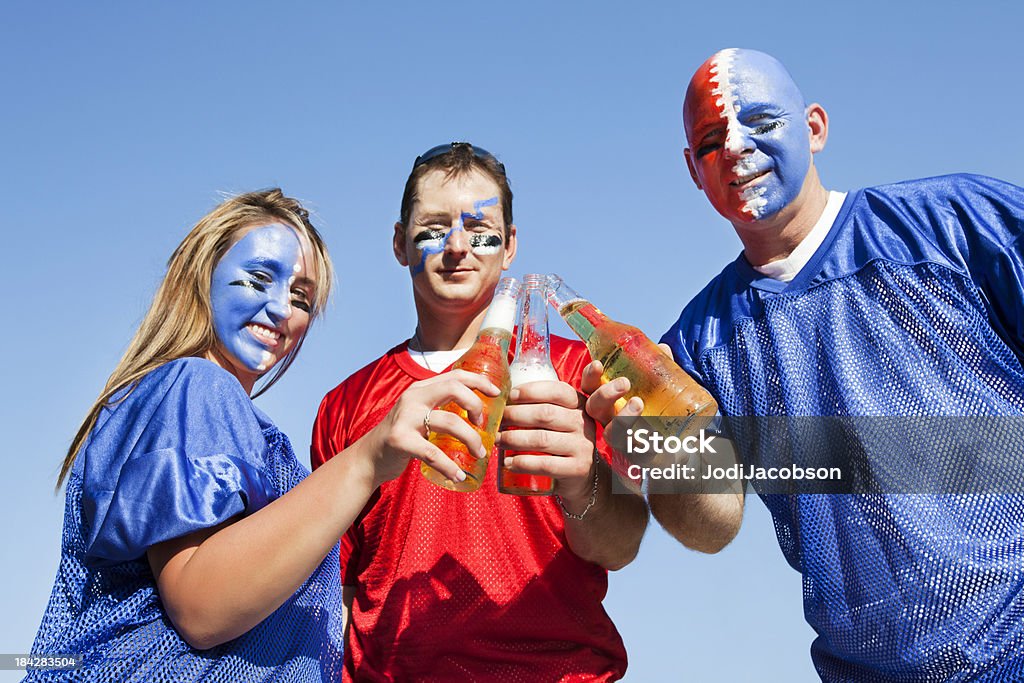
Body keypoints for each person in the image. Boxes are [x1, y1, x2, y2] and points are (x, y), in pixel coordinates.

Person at [28, 189, 497, 682]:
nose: (280, 310)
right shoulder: (197, 385)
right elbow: (202, 608)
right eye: (258, 279)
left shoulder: (199, 403)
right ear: (199, 276)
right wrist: (367, 459)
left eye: (300, 298)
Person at [658, 48, 1024, 680]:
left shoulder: (956, 224)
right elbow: (711, 526)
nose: (738, 150)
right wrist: (655, 445)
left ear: (815, 127)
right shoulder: (691, 351)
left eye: (763, 122)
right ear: (694, 170)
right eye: (713, 139)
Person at [311, 142, 650, 681]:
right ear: (399, 243)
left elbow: (621, 546)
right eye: (433, 225)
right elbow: (342, 591)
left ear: (510, 245)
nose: (457, 246)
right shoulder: (346, 404)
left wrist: (584, 481)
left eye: (481, 229)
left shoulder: (579, 374)